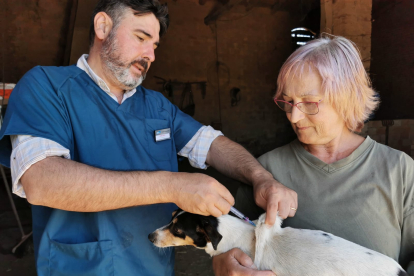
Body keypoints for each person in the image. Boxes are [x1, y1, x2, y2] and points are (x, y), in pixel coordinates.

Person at [0, 1, 297, 275]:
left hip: (152, 267)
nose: (151, 55)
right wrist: (172, 185)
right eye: (141, 38)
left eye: (155, 45)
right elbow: (40, 182)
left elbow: (212, 144)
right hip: (80, 268)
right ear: (103, 26)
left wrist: (261, 178)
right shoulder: (46, 87)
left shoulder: (157, 106)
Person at [234, 35, 414, 274]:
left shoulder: (398, 170)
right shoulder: (264, 172)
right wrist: (225, 263)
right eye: (287, 101)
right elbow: (227, 244)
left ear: (345, 98)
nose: (293, 116)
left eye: (309, 102)